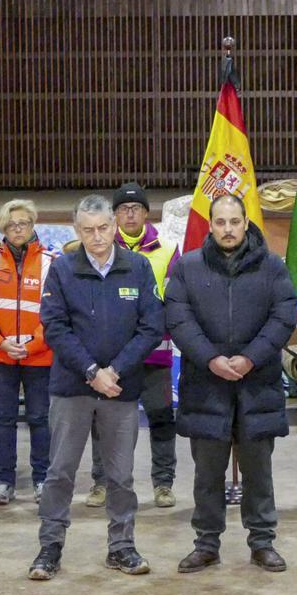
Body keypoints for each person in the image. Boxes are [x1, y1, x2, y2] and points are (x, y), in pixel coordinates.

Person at [28, 195, 163, 580]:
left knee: (120, 475)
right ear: (76, 230)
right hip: (72, 389)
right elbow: (54, 327)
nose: (97, 236)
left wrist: (115, 371)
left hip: (121, 390)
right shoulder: (63, 270)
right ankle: (49, 548)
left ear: (115, 225)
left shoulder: (137, 267)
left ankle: (122, 548)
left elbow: (151, 327)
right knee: (60, 473)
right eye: (88, 230)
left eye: (104, 228)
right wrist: (91, 371)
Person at [165, 195, 297, 573]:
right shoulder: (187, 267)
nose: (227, 229)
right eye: (220, 222)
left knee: (259, 471)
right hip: (206, 385)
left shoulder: (272, 267)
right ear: (210, 224)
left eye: (234, 222)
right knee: (207, 474)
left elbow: (283, 316)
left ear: (245, 223)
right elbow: (178, 317)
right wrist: (210, 359)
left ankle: (262, 542)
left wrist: (250, 357)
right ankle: (206, 543)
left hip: (258, 386)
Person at [85, 182, 181, 509]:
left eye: (136, 208)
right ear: (113, 216)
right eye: (123, 209)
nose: (129, 214)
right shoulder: (101, 250)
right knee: (104, 420)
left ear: (145, 212)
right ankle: (101, 482)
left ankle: (163, 483)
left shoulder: (167, 251)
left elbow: (174, 303)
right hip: (112, 359)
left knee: (161, 417)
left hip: (155, 354)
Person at [0, 199, 55, 505]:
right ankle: (4, 481)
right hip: (0, 355)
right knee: (3, 419)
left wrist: (32, 345)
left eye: (24, 223)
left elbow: (55, 312)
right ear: (3, 228)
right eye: (12, 225)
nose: (18, 229)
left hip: (40, 356)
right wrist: (0, 342)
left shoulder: (51, 263)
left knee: (40, 418)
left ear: (33, 226)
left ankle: (42, 480)